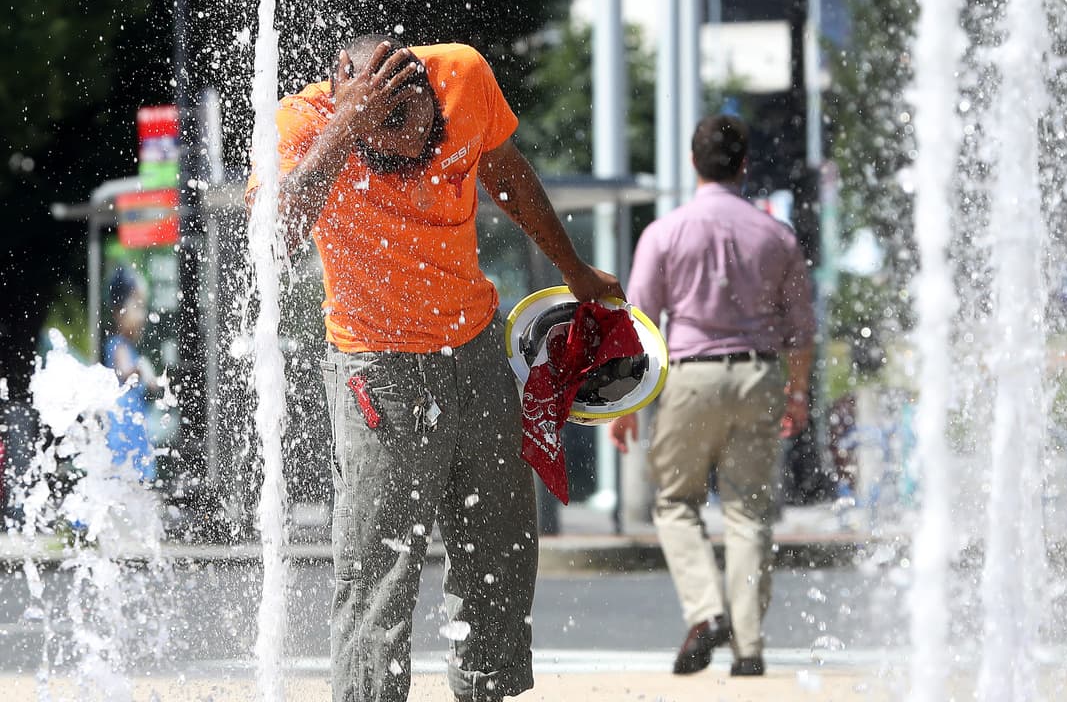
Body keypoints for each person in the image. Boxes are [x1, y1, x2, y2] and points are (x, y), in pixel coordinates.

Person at [247, 35, 621, 702]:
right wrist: (343, 129)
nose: (417, 164)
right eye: (390, 151)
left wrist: (575, 270)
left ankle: (487, 691)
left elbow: (504, 170)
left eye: (425, 137)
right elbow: (271, 239)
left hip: (473, 353)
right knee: (377, 578)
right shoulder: (302, 128)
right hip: (377, 376)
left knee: (500, 561)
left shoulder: (465, 75)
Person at [609, 114, 816, 678]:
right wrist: (796, 393)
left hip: (690, 376)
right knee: (749, 511)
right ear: (744, 164)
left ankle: (706, 611)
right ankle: (748, 648)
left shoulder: (666, 232)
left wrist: (626, 406)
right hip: (759, 375)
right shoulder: (776, 235)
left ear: (694, 163)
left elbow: (642, 324)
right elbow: (801, 328)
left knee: (676, 503)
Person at [102, 267, 159, 483]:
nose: (142, 315)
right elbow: (125, 372)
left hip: (132, 431)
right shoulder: (119, 347)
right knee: (126, 483)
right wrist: (141, 368)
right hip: (123, 434)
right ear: (119, 311)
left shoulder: (128, 349)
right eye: (137, 306)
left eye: (143, 307)